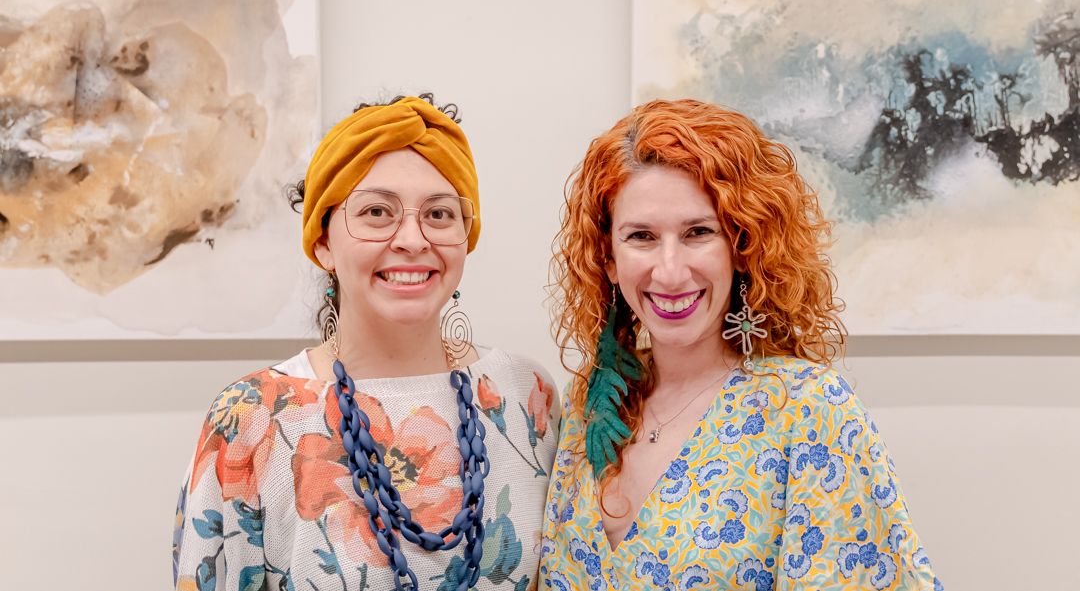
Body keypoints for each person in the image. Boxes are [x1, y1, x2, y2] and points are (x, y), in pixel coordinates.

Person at [539, 99, 942, 590]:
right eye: (641, 236)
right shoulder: (587, 403)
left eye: (698, 233)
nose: (670, 271)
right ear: (608, 259)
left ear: (742, 245)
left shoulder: (809, 409)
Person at [173, 95, 560, 591]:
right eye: (377, 211)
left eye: (439, 214)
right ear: (322, 242)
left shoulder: (527, 395)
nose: (413, 240)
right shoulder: (250, 418)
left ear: (466, 236)